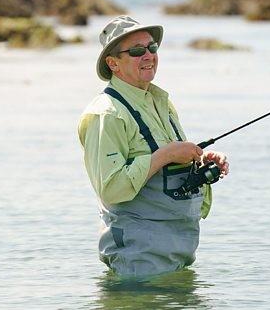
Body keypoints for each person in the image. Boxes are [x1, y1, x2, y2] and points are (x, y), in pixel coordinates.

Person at [78, 15, 229, 277]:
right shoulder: (106, 114)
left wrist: (201, 163)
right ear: (113, 63)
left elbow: (166, 166)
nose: (148, 55)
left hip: (179, 250)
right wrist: (168, 153)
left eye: (152, 47)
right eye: (137, 50)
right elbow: (111, 189)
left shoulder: (161, 102)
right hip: (138, 261)